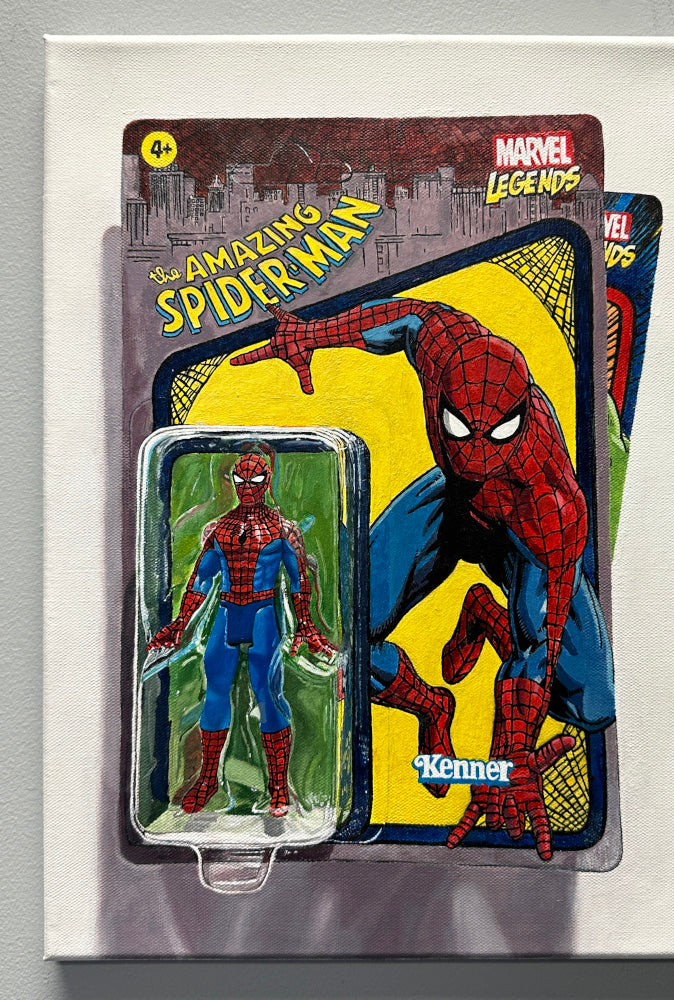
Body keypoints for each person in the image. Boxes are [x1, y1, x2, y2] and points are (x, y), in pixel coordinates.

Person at [231, 299, 615, 859]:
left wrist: (508, 760)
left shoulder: (553, 502)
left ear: (521, 417)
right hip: (451, 506)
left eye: (496, 435)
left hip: (522, 533)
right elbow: (405, 317)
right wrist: (312, 334)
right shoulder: (442, 343)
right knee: (334, 633)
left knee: (592, 702)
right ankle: (430, 706)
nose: (474, 454)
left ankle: (487, 615)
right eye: (461, 429)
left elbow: (538, 651)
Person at [147, 451, 336, 816]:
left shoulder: (283, 529)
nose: (247, 487)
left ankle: (278, 789)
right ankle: (207, 780)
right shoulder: (218, 529)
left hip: (263, 614)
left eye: (255, 480)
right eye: (241, 480)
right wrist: (180, 624)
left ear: (267, 482)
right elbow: (200, 579)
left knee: (269, 697)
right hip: (227, 612)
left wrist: (307, 627)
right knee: (215, 695)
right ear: (232, 482)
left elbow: (299, 580)